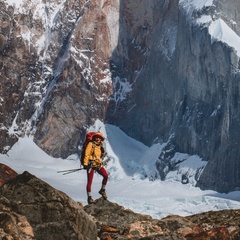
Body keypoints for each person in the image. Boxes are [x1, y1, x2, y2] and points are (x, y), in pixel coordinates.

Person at [83, 131, 108, 204]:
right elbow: (86, 154)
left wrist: (102, 152)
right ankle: (89, 198)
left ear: (101, 139)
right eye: (97, 137)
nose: (98, 139)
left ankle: (102, 190)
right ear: (94, 138)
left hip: (97, 164)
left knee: (105, 176)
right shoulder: (91, 144)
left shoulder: (100, 146)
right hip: (90, 165)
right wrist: (85, 164)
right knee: (90, 182)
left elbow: (99, 156)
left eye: (99, 138)